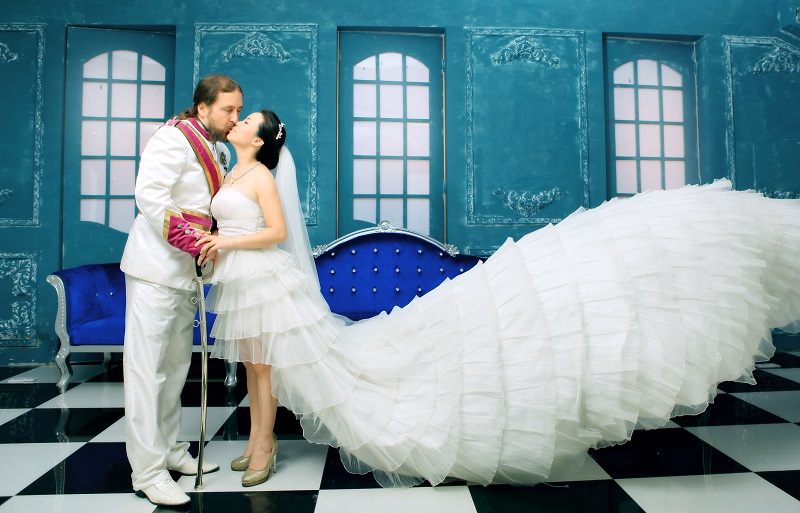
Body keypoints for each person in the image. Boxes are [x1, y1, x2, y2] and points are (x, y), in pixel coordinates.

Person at [198, 110, 800, 489]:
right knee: (257, 368)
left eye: (246, 119)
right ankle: (259, 445)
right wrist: (205, 236)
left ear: (263, 137)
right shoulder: (231, 171)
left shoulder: (258, 176)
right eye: (237, 117)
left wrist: (219, 237)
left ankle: (263, 446)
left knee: (266, 369)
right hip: (246, 283)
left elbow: (274, 233)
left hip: (266, 282)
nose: (239, 122)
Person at [120, 74, 243, 506]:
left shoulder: (220, 149)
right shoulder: (172, 139)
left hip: (189, 271)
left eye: (239, 110)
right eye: (228, 109)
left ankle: (170, 450)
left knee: (174, 368)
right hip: (156, 267)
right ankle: (148, 470)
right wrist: (196, 243)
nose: (235, 118)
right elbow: (150, 197)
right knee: (146, 369)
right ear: (203, 107)